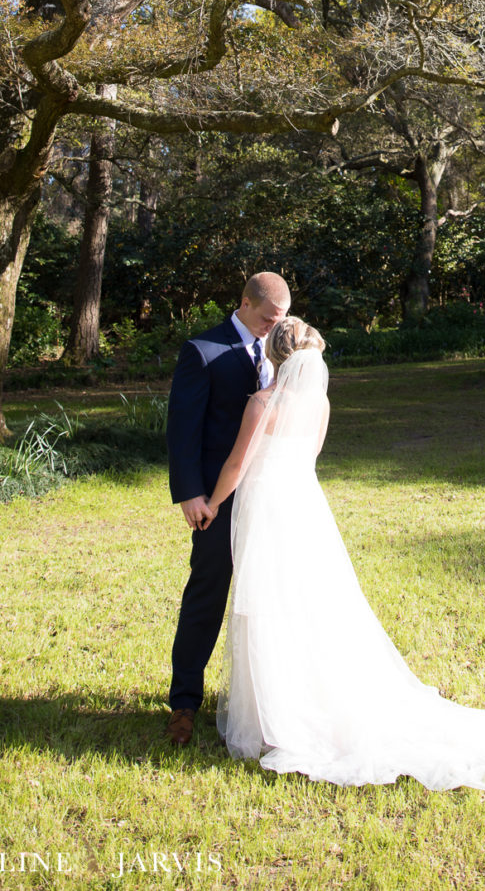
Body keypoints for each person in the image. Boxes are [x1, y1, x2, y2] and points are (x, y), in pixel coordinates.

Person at [205, 314, 485, 790]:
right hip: (304, 503)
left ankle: (281, 715)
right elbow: (309, 456)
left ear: (274, 355)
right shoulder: (319, 403)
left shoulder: (262, 403)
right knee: (310, 602)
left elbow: (238, 461)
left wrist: (213, 503)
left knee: (270, 600)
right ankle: (293, 703)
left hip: (267, 503)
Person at [164, 271, 291, 747]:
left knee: (271, 600)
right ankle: (183, 704)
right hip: (217, 502)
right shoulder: (203, 350)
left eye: (279, 321)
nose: (271, 329)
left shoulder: (284, 352)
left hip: (269, 499)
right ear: (244, 303)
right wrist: (190, 493)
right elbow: (182, 429)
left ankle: (269, 705)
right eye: (266, 318)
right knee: (207, 595)